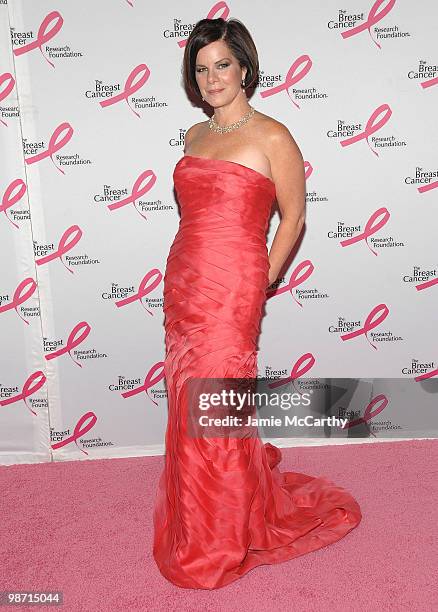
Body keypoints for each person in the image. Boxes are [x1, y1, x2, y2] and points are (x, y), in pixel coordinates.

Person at [153, 17, 362, 590]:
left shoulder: (273, 136)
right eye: (200, 68)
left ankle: (217, 535)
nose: (211, 77)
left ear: (244, 67)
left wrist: (262, 281)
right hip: (185, 279)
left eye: (222, 64)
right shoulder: (194, 138)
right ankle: (200, 518)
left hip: (234, 286)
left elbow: (293, 218)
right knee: (186, 396)